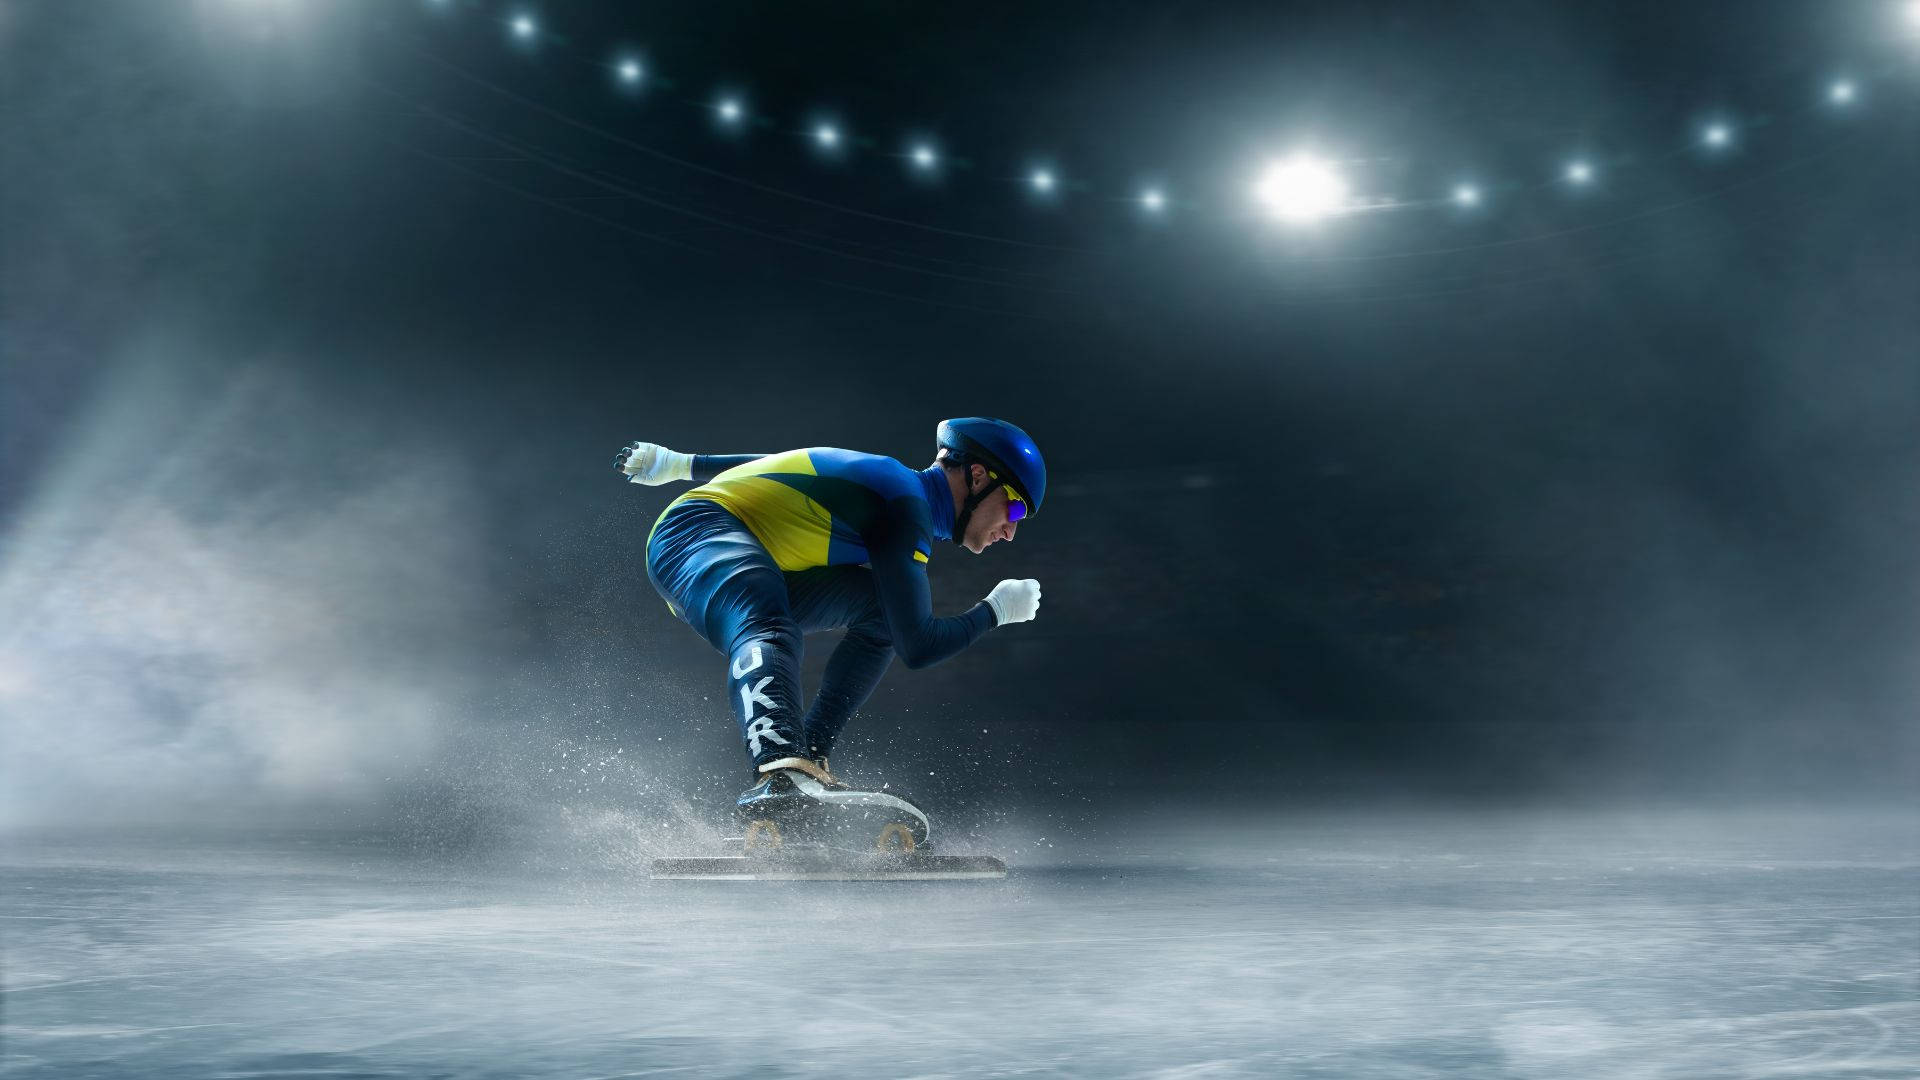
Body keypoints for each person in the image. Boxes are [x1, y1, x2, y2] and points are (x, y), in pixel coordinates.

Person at [617, 418, 1045, 848]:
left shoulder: (892, 491)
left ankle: (808, 763)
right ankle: (781, 773)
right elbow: (918, 647)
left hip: (748, 550)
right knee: (767, 621)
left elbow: (785, 465)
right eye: (1014, 509)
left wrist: (683, 464)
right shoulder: (901, 503)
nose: (1010, 530)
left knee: (881, 609)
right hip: (692, 533)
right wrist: (994, 611)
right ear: (976, 476)